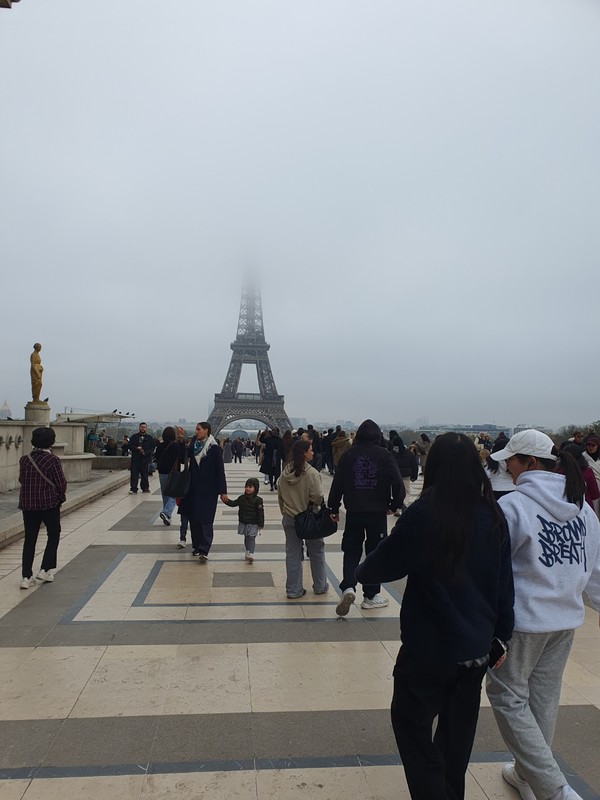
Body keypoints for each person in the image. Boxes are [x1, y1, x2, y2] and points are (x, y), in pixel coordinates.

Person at [356, 432, 514, 800]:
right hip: (475, 649)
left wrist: (363, 571)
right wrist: (501, 636)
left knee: (411, 727)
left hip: (428, 649)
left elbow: (378, 567)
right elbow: (505, 584)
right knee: (456, 741)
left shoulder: (424, 513)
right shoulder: (493, 514)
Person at [486, 430, 600, 800]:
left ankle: (554, 790)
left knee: (507, 697)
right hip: (565, 621)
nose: (507, 467)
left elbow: (494, 570)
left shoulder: (513, 507)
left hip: (523, 623)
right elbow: (593, 570)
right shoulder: (584, 512)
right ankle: (526, 775)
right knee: (543, 699)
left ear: (530, 463)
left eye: (512, 461)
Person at [328, 419, 405, 615]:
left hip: (354, 510)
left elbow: (337, 483)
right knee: (374, 552)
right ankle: (370, 595)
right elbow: (397, 483)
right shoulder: (384, 455)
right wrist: (394, 505)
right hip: (377, 512)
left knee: (351, 550)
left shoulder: (348, 455)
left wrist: (333, 507)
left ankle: (348, 587)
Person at [278, 439, 329, 598]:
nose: (313, 453)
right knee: (316, 552)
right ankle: (320, 585)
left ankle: (293, 590)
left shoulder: (285, 472)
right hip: (309, 519)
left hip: (289, 517)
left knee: (292, 554)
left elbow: (280, 496)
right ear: (304, 453)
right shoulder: (312, 473)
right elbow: (318, 497)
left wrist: (286, 511)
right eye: (311, 450)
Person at [19, 427, 68, 589]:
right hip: (48, 504)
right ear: (51, 441)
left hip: (28, 505)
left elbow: (21, 480)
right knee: (53, 534)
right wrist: (60, 498)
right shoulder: (52, 460)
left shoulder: (25, 459)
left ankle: (26, 576)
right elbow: (61, 482)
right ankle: (45, 569)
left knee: (30, 539)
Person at [178, 422, 227, 560]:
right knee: (194, 519)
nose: (196, 431)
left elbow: (220, 471)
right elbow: (183, 458)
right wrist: (181, 440)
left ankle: (204, 549)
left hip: (208, 490)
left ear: (206, 431)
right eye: (196, 429)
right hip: (193, 488)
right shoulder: (194, 445)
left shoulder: (214, 449)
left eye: (198, 429)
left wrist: (223, 491)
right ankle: (197, 546)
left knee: (205, 519)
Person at [222, 477, 264, 563]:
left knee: (251, 538)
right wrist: (225, 500)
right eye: (246, 487)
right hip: (244, 522)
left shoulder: (258, 500)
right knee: (246, 537)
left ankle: (251, 553)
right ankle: (248, 550)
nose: (248, 489)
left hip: (253, 523)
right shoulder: (242, 498)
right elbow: (233, 503)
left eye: (250, 487)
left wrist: (261, 523)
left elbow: (261, 513)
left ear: (255, 489)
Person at [155, 426, 185, 526]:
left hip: (162, 472)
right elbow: (182, 459)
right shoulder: (175, 446)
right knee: (173, 494)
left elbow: (156, 457)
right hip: (173, 473)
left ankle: (167, 516)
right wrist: (181, 441)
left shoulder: (160, 445)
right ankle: (166, 513)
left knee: (165, 494)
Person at [389, 434, 419, 513]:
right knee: (407, 491)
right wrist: (414, 476)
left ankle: (398, 508)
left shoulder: (391, 454)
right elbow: (414, 465)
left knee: (396, 492)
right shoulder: (408, 453)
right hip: (406, 475)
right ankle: (404, 504)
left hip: (395, 476)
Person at [128, 422, 155, 494]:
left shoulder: (149, 438)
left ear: (146, 428)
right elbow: (130, 446)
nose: (142, 428)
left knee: (144, 474)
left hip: (145, 459)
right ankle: (133, 488)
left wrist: (145, 452)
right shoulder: (134, 437)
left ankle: (145, 488)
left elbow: (152, 448)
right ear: (139, 428)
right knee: (134, 475)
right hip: (135, 459)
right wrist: (136, 448)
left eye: (144, 427)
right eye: (141, 427)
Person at [259, 427, 283, 491]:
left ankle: (275, 482)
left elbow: (282, 449)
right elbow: (261, 440)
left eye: (274, 430)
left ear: (277, 432)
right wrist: (263, 433)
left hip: (276, 458)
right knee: (270, 473)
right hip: (269, 457)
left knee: (277, 473)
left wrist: (282, 457)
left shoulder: (280, 439)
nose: (273, 431)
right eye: (272, 430)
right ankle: (272, 485)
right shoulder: (268, 439)